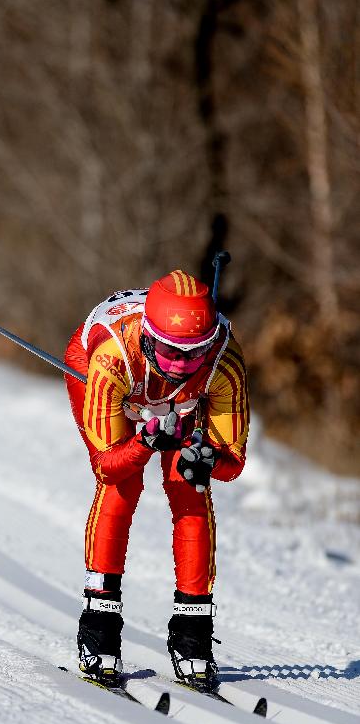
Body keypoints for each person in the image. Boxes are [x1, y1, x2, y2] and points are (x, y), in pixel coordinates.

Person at [64, 270, 249, 692]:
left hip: (183, 398)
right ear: (148, 336)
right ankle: (99, 625)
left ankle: (192, 633)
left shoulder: (224, 361)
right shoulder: (113, 353)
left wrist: (206, 463)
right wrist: (146, 439)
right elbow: (106, 465)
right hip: (114, 373)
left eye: (193, 352)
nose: (181, 364)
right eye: (170, 350)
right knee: (121, 486)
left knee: (190, 488)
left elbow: (232, 463)